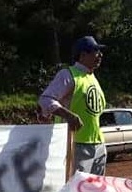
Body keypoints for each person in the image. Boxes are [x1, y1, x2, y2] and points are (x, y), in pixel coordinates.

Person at [38, 35, 108, 176]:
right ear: (82, 55)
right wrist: (67, 115)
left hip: (98, 144)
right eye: (95, 51)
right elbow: (45, 99)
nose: (100, 55)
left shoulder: (92, 78)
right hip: (75, 144)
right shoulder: (68, 75)